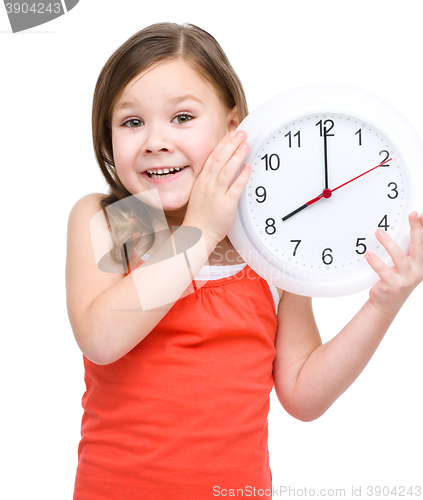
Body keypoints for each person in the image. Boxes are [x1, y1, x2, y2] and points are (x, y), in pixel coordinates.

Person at [65, 22, 423, 500]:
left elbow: (302, 393)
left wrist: (383, 304)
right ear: (108, 138)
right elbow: (101, 339)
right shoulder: (120, 220)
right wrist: (202, 230)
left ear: (234, 127)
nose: (155, 140)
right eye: (132, 122)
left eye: (182, 117)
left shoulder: (268, 242)